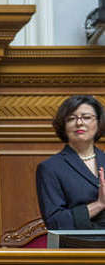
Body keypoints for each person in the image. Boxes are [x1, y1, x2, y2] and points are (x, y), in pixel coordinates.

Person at [36, 95, 105, 230]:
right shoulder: (50, 168)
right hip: (77, 242)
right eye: (71, 119)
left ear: (99, 123)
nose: (79, 123)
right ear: (64, 126)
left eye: (86, 117)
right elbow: (55, 222)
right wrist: (99, 204)